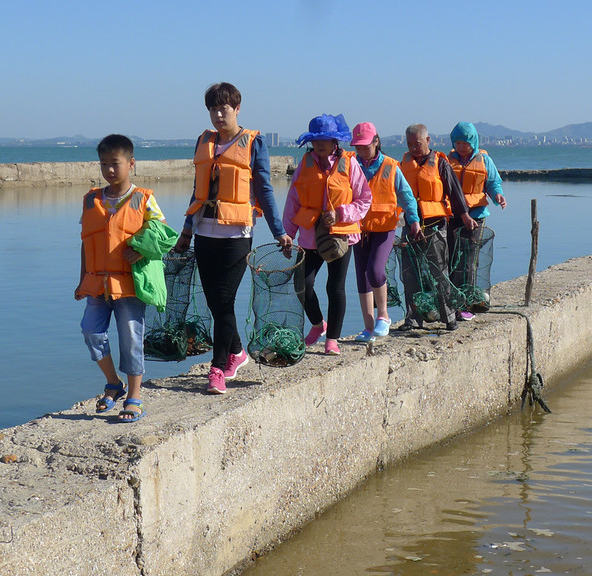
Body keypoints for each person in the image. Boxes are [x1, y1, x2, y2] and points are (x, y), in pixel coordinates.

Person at [175, 82, 290, 395]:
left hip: (237, 236)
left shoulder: (253, 143)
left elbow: (264, 190)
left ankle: (218, 369)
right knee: (216, 304)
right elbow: (197, 191)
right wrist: (186, 231)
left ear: (237, 108)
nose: (217, 114)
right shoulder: (205, 142)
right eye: (212, 108)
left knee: (224, 301)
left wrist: (279, 231)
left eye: (223, 108)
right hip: (204, 234)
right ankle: (237, 351)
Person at [76, 134, 176, 422]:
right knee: (91, 333)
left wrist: (141, 249)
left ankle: (135, 396)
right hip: (97, 284)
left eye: (115, 163)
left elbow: (164, 233)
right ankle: (113, 383)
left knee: (131, 339)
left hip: (129, 286)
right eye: (104, 163)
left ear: (131, 164)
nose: (109, 169)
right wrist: (81, 279)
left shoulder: (143, 198)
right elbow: (86, 243)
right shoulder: (91, 200)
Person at [283, 114, 371, 355]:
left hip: (340, 238)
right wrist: (287, 233)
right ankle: (318, 324)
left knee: (336, 287)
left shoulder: (350, 164)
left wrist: (341, 214)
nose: (320, 144)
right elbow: (293, 200)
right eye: (316, 139)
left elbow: (365, 199)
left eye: (325, 139)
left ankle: (332, 339)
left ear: (336, 141)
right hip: (310, 236)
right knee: (302, 283)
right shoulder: (305, 163)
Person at [349, 122, 420, 342]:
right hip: (359, 229)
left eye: (366, 146)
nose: (361, 150)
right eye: (358, 146)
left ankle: (384, 316)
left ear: (376, 141)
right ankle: (368, 328)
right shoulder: (351, 164)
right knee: (362, 277)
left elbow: (407, 195)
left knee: (375, 270)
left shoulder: (390, 166)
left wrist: (414, 219)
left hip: (385, 227)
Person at [397, 123, 471, 331]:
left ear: (428, 141)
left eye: (417, 144)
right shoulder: (403, 164)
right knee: (410, 273)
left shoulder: (440, 163)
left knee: (439, 271)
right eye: (410, 144)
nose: (413, 148)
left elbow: (455, 192)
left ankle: (448, 316)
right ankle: (413, 318)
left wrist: (464, 215)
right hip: (410, 225)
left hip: (435, 225)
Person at [447, 122, 506, 319]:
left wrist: (498, 196)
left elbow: (493, 183)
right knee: (452, 259)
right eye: (457, 142)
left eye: (465, 143)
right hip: (452, 216)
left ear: (473, 142)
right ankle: (452, 303)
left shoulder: (484, 160)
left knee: (470, 261)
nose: (461, 147)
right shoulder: (447, 160)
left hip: (476, 216)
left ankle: (466, 305)